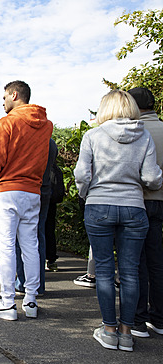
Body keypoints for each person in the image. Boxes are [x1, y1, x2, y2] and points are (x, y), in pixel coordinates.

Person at [74, 89, 162, 351]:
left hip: (99, 205)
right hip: (134, 207)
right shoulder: (143, 135)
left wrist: (86, 193)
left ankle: (109, 330)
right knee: (130, 272)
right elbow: (151, 178)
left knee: (103, 270)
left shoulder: (93, 135)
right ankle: (127, 332)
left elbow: (82, 174)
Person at [0, 80, 52, 320]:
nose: (3, 102)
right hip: (33, 190)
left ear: (14, 95)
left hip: (7, 189)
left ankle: (7, 302)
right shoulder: (46, 125)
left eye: (4, 98)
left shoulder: (7, 122)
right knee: (31, 245)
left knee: (6, 247)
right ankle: (30, 301)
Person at [128, 87, 163, 339]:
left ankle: (138, 319)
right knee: (157, 259)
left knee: (136, 261)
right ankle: (160, 318)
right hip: (161, 201)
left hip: (138, 200)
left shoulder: (135, 131)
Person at [14, 139, 58, 295]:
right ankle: (38, 285)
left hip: (25, 189)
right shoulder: (50, 142)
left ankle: (23, 282)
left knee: (21, 238)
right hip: (44, 190)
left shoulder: (26, 138)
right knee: (39, 237)